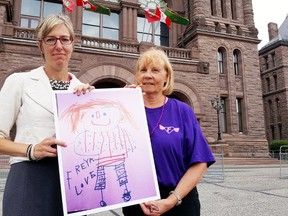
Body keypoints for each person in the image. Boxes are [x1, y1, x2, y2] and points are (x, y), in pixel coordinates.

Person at [0, 14, 94, 216]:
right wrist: (32, 149)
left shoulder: (85, 93)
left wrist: (126, 97)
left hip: (75, 183)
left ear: (72, 43)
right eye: (51, 39)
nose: (58, 45)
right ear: (40, 44)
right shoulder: (19, 81)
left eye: (64, 39)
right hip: (29, 177)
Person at [122, 47, 215, 216]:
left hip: (179, 202)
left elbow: (200, 162)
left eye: (155, 70)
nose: (148, 75)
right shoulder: (124, 108)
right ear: (137, 76)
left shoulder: (182, 111)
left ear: (167, 77)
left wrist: (172, 200)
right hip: (138, 203)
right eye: (143, 70)